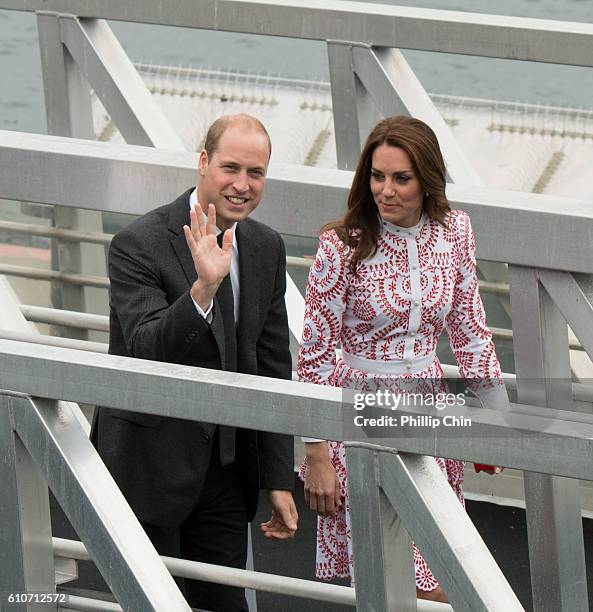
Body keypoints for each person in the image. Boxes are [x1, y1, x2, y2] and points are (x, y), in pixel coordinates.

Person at [91, 114, 298, 611]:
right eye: (230, 168)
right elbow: (144, 348)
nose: (242, 185)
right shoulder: (137, 243)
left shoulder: (266, 246)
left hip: (227, 470)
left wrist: (276, 476)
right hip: (147, 469)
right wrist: (202, 291)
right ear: (203, 162)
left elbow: (271, 364)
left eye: (256, 173)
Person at [297, 116, 507, 603]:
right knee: (402, 583)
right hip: (360, 420)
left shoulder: (455, 231)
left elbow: (470, 329)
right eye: (377, 176)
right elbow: (314, 355)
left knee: (441, 572)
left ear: (427, 179)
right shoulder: (341, 244)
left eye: (401, 178)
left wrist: (492, 422)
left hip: (431, 414)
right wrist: (315, 453)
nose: (384, 191)